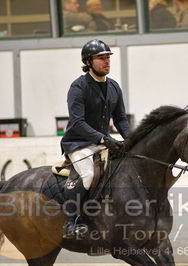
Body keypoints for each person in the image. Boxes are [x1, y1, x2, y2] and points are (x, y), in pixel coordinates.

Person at [60, 39, 130, 239]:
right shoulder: (78, 87)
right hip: (78, 143)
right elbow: (78, 122)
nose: (106, 62)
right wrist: (103, 139)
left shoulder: (114, 86)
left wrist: (132, 140)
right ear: (88, 62)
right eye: (101, 58)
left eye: (108, 57)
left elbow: (121, 119)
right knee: (89, 175)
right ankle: (72, 222)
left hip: (101, 143)